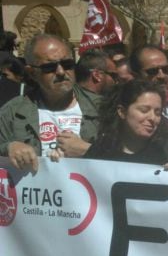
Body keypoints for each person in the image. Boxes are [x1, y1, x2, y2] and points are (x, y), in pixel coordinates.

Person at [0, 34, 101, 171]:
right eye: (50, 68)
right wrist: (9, 147)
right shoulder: (12, 112)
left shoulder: (101, 108)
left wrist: (88, 150)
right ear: (32, 73)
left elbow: (129, 156)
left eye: (67, 65)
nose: (61, 72)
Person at [85, 80, 168, 166]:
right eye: (144, 110)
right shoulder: (101, 149)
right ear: (122, 112)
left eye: (157, 112)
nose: (152, 118)